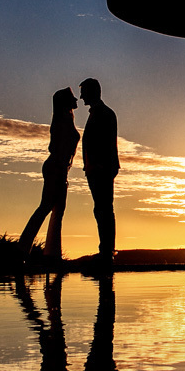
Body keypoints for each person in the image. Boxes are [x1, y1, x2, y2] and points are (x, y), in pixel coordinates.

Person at [19, 87, 80, 261]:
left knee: (57, 210)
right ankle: (23, 250)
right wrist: (61, 169)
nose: (76, 101)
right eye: (72, 98)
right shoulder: (62, 121)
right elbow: (55, 147)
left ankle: (51, 253)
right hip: (56, 168)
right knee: (46, 207)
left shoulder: (67, 119)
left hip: (60, 169)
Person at [79, 78, 119, 264]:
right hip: (94, 169)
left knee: (104, 209)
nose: (81, 97)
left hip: (101, 169)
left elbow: (107, 142)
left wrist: (101, 165)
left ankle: (107, 251)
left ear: (92, 92)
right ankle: (105, 250)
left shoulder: (105, 114)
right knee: (100, 209)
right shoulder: (98, 113)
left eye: (84, 92)